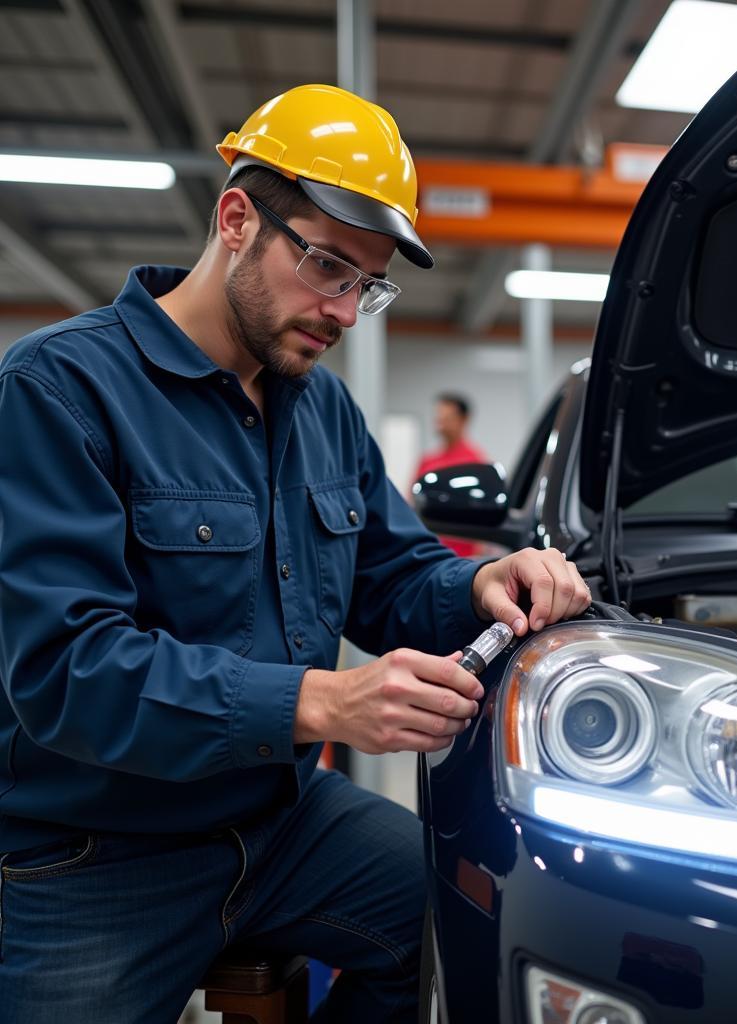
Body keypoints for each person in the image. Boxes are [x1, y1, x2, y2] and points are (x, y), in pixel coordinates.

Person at [0, 84, 590, 1024]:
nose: (346, 311)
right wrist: (323, 701)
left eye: (367, 284)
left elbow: (392, 577)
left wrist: (482, 580)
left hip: (279, 827)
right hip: (94, 850)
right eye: (327, 266)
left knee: (472, 916)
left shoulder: (321, 409)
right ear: (237, 218)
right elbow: (67, 672)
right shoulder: (58, 390)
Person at [412, 393, 488, 556]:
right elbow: (412, 500)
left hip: (463, 553)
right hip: (429, 548)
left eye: (448, 417)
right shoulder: (428, 461)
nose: (441, 422)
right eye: (439, 417)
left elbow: (482, 511)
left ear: (464, 419)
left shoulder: (474, 461)